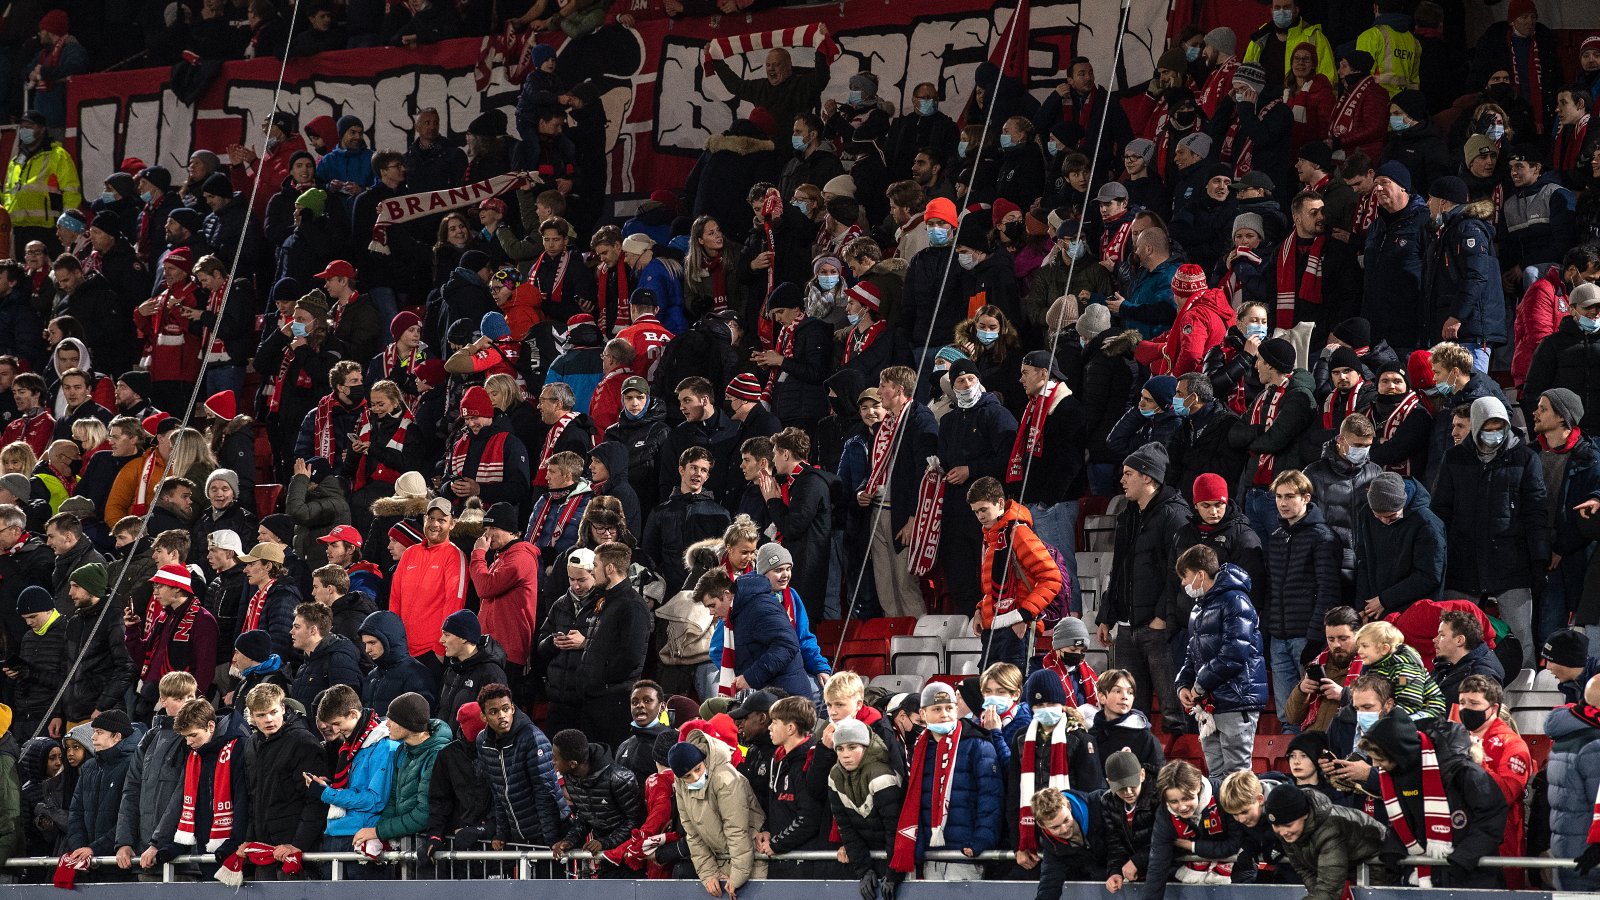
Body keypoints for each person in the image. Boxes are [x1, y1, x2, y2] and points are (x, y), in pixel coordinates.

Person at [1432, 396, 1549, 667]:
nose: (1494, 433)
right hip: (1463, 562)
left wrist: (1539, 558)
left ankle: (1522, 689)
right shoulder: (1454, 458)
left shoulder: (1525, 458)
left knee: (1521, 636)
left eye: (1499, 427)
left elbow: (1536, 512)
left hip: (1511, 562)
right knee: (1455, 636)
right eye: (1488, 427)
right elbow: (1441, 511)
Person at [1361, 710, 1506, 888]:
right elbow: (1402, 822)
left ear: (1399, 753)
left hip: (1471, 876)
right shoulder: (1394, 775)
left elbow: (1492, 817)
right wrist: (1393, 853)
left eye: (1380, 759)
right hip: (1422, 877)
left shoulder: (1462, 771)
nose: (1376, 765)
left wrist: (1463, 859)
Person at [1098, 442, 1189, 721]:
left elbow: (1180, 573)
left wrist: (1161, 617)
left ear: (1148, 477)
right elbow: (1119, 569)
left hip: (1159, 630)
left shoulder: (1175, 515)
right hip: (1127, 629)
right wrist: (1106, 616)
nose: (1122, 480)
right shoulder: (1128, 516)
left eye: (1129, 474)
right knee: (1129, 714)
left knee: (1174, 711)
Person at [887, 681, 1002, 881]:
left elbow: (991, 799)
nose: (944, 714)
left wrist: (981, 841)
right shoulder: (919, 749)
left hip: (965, 856)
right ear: (923, 714)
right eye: (937, 709)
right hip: (930, 857)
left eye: (949, 708)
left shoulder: (978, 745)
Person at [1175, 544, 1267, 771]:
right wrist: (1183, 684)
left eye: (1185, 576)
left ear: (1200, 574)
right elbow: (1192, 653)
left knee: (1237, 777)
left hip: (1236, 699)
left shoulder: (1236, 601)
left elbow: (1234, 654)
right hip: (1209, 704)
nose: (1183, 583)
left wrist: (1200, 684)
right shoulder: (1198, 609)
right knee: (1215, 774)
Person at [1262, 469, 1341, 724]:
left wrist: (1315, 638)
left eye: (1289, 496)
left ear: (1306, 498)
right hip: (1278, 638)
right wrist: (1269, 629)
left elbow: (1328, 590)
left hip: (1306, 637)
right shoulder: (1276, 537)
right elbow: (1272, 588)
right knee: (1287, 715)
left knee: (1313, 711)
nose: (1282, 503)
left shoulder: (1323, 537)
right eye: (1278, 497)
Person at [968, 476, 1062, 671]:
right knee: (989, 688)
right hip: (992, 629)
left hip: (1016, 631)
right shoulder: (991, 536)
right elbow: (989, 587)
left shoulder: (1018, 532)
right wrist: (980, 610)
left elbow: (1052, 577)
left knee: (1012, 687)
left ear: (1000, 503)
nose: (980, 516)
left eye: (984, 509)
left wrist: (1024, 615)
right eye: (976, 511)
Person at [308, 685, 401, 875]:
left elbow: (375, 800)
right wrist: (328, 787)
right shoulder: (353, 745)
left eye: (337, 723)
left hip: (360, 838)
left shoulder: (383, 745)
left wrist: (327, 793)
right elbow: (355, 788)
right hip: (336, 834)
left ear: (352, 714)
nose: (334, 730)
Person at [113, 671, 195, 879]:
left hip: (184, 857)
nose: (187, 703)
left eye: (191, 697)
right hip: (146, 856)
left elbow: (184, 795)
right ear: (163, 700)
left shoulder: (194, 739)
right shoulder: (149, 739)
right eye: (179, 698)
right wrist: (124, 841)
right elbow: (131, 791)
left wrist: (159, 843)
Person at [240, 683, 327, 877]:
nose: (269, 719)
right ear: (252, 716)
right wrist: (250, 839)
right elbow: (254, 798)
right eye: (261, 715)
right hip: (265, 851)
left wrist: (297, 844)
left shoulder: (303, 742)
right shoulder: (252, 745)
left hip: (296, 854)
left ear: (283, 708)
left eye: (273, 712)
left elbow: (316, 800)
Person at [476, 682, 569, 848]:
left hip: (550, 834)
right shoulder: (483, 742)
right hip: (519, 836)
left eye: (506, 709)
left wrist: (551, 840)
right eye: (494, 712)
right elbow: (498, 792)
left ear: (512, 708)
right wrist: (502, 833)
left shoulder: (533, 738)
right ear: (484, 716)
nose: (502, 715)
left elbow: (544, 792)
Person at [696, 569, 813, 700]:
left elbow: (787, 645)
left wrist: (750, 677)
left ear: (727, 595)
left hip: (788, 701)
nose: (711, 612)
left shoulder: (760, 607)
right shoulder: (739, 612)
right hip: (771, 697)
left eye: (713, 605)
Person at [1456, 675, 1530, 875]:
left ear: (1493, 708)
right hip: (1460, 839)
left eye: (1474, 703)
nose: (1466, 709)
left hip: (1500, 847)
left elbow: (1506, 794)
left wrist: (1479, 763)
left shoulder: (1512, 745)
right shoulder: (1454, 739)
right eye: (1462, 702)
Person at [125, 563, 218, 718]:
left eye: (160, 586)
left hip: (179, 704)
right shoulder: (163, 617)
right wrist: (132, 629)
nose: (155, 592)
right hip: (149, 697)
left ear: (177, 588)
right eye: (155, 586)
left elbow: (205, 669)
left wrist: (192, 706)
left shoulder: (203, 620)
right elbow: (142, 656)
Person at [1263, 784, 1387, 900]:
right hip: (1347, 866)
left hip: (1378, 862)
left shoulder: (1330, 829)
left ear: (1304, 815)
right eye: (1276, 825)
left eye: (1288, 825)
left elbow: (1329, 889)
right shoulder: (1289, 833)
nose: (1283, 832)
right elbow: (1305, 870)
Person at [1142, 760, 1244, 896]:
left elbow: (1236, 844)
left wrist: (1192, 846)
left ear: (1198, 788)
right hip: (1191, 875)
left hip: (1238, 873)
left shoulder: (1223, 794)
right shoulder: (1164, 814)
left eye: (1186, 798)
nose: (1182, 807)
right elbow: (1158, 865)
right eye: (1173, 801)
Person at [389, 498, 467, 666]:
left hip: (431, 651)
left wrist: (440, 648)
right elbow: (395, 598)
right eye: (431, 518)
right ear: (425, 519)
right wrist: (393, 639)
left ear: (452, 524)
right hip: (403, 648)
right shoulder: (410, 553)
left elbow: (454, 603)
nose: (435, 524)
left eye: (441, 520)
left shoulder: (454, 556)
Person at [467, 502, 538, 673]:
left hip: (507, 651)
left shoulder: (521, 558)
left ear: (510, 530)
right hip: (491, 648)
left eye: (493, 528)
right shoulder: (501, 559)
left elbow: (485, 588)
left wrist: (478, 554)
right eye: (486, 529)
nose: (487, 534)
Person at [63, 712, 137, 870]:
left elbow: (130, 815)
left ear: (117, 736)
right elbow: (75, 812)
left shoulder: (133, 765)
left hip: (119, 864)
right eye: (94, 731)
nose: (93, 737)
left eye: (99, 732)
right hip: (87, 862)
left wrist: (95, 849)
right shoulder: (89, 767)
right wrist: (80, 848)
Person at [1285, 606, 1361, 732]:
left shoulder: (1369, 665)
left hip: (1346, 741)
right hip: (1312, 740)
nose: (1336, 645)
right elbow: (1292, 717)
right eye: (1331, 639)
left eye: (1343, 639)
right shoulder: (1317, 664)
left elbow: (1378, 713)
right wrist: (1301, 690)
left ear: (1359, 635)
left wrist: (1344, 695)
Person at [358, 609, 434, 717]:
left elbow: (419, 721)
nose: (367, 649)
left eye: (372, 643)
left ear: (389, 640)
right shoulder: (372, 676)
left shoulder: (417, 675)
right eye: (365, 643)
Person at [1431, 611, 1504, 705]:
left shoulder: (1482, 675)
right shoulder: (1444, 664)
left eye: (1442, 635)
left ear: (1459, 640)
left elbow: (1481, 712)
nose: (1435, 640)